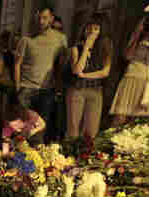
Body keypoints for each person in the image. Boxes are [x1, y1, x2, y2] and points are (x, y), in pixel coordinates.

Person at [14, 5, 67, 143]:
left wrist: (58, 86)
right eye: (38, 18)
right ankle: (18, 158)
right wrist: (17, 87)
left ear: (51, 19)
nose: (41, 21)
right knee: (22, 128)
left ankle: (36, 160)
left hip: (46, 89)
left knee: (40, 130)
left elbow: (62, 64)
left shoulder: (60, 39)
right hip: (26, 88)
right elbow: (17, 64)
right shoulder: (26, 39)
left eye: (44, 18)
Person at [110, 13, 149, 126]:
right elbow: (127, 56)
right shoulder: (137, 37)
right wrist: (137, 35)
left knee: (137, 121)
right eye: (146, 25)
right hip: (131, 78)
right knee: (120, 118)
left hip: (148, 84)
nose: (148, 29)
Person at [65, 14, 112, 139]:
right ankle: (69, 155)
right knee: (73, 128)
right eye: (89, 28)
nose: (91, 32)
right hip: (77, 90)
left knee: (91, 130)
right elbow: (77, 69)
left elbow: (105, 72)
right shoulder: (76, 48)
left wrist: (85, 75)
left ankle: (85, 155)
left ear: (101, 31)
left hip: (96, 91)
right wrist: (86, 47)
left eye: (96, 29)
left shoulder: (105, 48)